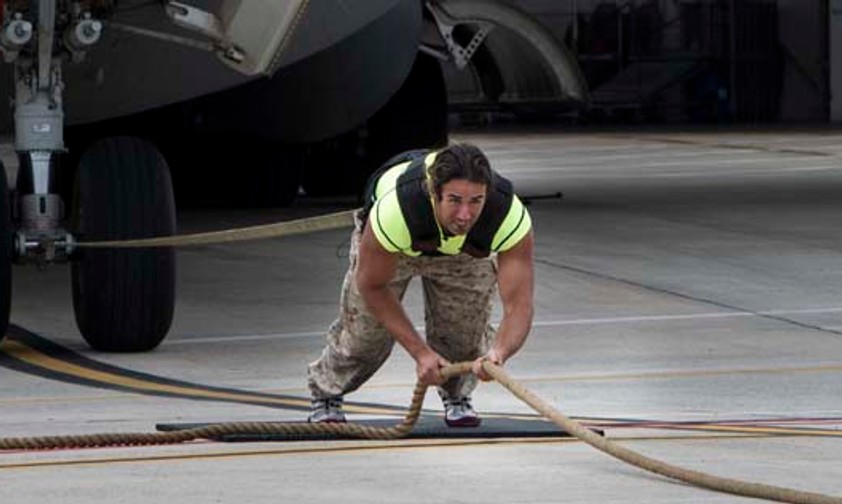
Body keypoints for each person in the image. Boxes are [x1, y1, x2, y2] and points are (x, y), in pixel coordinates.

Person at [307, 142, 534, 426]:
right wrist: (420, 353)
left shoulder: (508, 214)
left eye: (476, 201)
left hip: (463, 254)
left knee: (464, 337)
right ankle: (327, 394)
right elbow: (372, 286)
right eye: (454, 200)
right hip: (397, 245)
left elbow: (519, 304)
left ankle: (457, 395)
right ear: (433, 194)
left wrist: (499, 352)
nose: (465, 215)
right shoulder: (396, 210)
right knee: (365, 337)